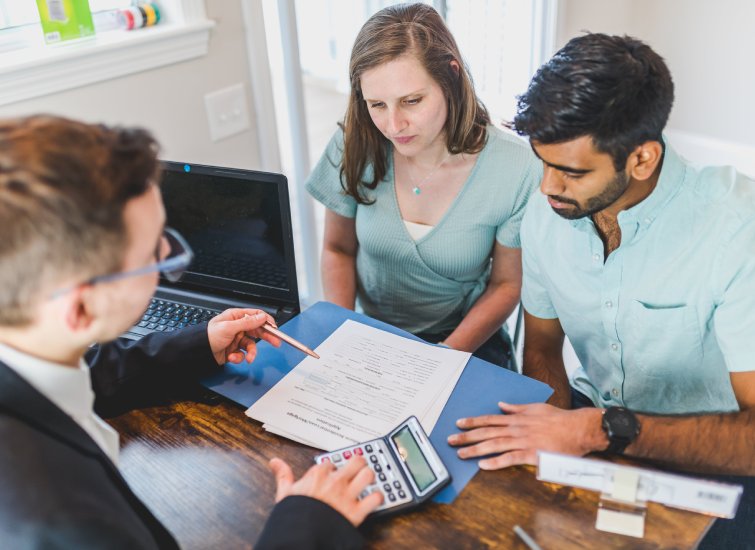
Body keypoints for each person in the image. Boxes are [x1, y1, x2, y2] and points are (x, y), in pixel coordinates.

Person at [0, 115, 380, 549]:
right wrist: (306, 524)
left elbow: (97, 369)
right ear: (81, 309)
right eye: (155, 256)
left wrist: (201, 343)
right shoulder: (63, 522)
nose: (170, 260)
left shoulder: (31, 349)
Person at [447, 34, 755, 548]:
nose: (547, 188)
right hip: (595, 428)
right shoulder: (547, 216)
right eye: (542, 162)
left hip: (715, 455)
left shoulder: (735, 229)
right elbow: (543, 347)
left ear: (642, 159)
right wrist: (553, 449)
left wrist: (595, 432)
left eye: (571, 171)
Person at [306, 3, 540, 369]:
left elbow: (506, 285)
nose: (394, 124)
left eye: (412, 101)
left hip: (466, 340)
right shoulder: (354, 142)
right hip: (368, 333)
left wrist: (441, 358)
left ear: (451, 77)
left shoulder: (515, 165)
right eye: (377, 104)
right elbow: (337, 248)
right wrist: (343, 332)